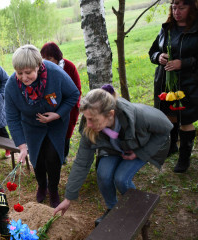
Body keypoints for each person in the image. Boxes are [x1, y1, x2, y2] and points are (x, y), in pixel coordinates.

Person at [53, 86, 172, 226]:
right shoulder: (89, 125)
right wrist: (68, 198)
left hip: (138, 147)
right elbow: (82, 162)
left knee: (121, 178)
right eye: (86, 119)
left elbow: (165, 130)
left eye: (93, 119)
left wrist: (140, 153)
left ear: (110, 114)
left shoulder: (140, 116)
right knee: (103, 174)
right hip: (113, 148)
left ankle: (139, 212)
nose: (88, 124)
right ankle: (112, 208)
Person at [4, 45, 80, 208]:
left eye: (28, 72)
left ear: (39, 65)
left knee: (53, 158)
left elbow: (73, 94)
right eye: (19, 73)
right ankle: (42, 185)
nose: (24, 78)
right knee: (37, 159)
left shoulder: (55, 73)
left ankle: (53, 190)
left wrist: (58, 114)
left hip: (55, 124)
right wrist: (22, 145)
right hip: (31, 126)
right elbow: (11, 116)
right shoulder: (12, 85)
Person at [149, 0, 198, 173]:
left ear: (192, 8)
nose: (177, 11)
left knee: (185, 119)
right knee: (169, 116)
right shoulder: (166, 28)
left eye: (182, 8)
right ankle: (172, 147)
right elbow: (152, 51)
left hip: (189, 83)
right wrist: (158, 57)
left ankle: (184, 159)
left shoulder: (196, 29)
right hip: (165, 82)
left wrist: (183, 63)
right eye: (174, 7)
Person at [40, 42, 82, 164]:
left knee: (66, 132)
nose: (45, 61)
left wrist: (68, 106)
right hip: (51, 105)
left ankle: (63, 156)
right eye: (43, 58)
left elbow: (76, 90)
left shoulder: (69, 67)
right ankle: (52, 156)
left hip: (69, 107)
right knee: (53, 132)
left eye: (49, 58)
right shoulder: (42, 69)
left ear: (57, 58)